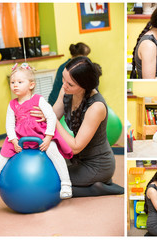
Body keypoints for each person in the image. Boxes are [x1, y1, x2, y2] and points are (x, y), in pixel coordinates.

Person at [0, 63, 73, 199]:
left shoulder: (39, 100)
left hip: (41, 135)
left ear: (31, 85)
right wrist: (13, 139)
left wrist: (48, 137)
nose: (15, 85)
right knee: (3, 154)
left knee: (54, 153)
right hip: (20, 137)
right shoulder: (12, 104)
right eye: (12, 82)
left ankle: (66, 184)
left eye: (20, 82)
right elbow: (9, 123)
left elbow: (51, 117)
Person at [38, 56, 124, 197]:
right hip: (76, 158)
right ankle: (95, 182)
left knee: (49, 181)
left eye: (70, 84)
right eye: (63, 79)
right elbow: (51, 117)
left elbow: (76, 146)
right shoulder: (66, 90)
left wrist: (52, 119)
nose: (64, 85)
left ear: (85, 86)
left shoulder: (96, 106)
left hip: (97, 164)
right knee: (46, 171)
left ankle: (96, 188)